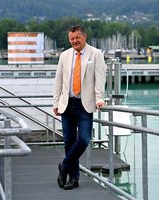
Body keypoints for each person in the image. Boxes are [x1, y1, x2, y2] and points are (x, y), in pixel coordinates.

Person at [53, 25, 106, 190]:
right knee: (69, 142)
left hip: (85, 105)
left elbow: (99, 79)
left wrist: (100, 99)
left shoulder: (96, 54)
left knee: (83, 140)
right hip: (67, 104)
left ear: (85, 37)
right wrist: (56, 103)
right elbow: (59, 81)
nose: (74, 41)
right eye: (72, 38)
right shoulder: (64, 55)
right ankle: (73, 179)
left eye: (77, 37)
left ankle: (64, 165)